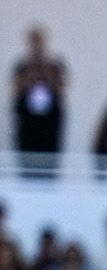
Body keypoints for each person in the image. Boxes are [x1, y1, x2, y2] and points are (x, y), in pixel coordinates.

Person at [10, 25, 62, 180]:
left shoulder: (54, 65)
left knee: (48, 156)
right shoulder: (22, 66)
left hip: (48, 122)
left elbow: (61, 89)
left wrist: (45, 69)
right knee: (27, 155)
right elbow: (16, 89)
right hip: (28, 121)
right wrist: (31, 70)